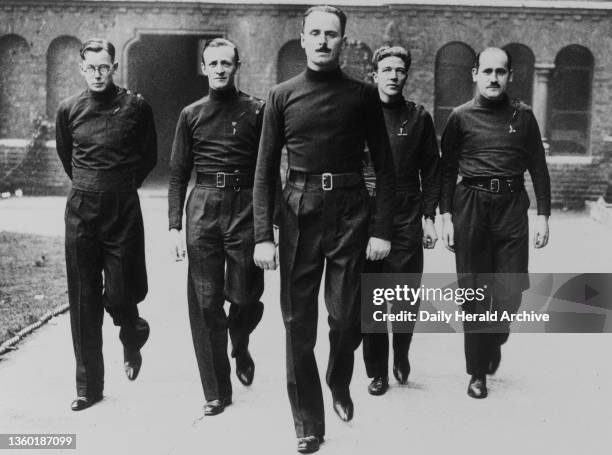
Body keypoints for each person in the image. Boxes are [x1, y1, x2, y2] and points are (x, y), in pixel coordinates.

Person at [253, 5, 395, 453]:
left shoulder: (363, 95)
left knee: (346, 316)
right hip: (299, 210)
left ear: (343, 40)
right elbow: (263, 171)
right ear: (302, 37)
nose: (322, 41)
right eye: (314, 32)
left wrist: (381, 228)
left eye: (330, 34)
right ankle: (308, 422)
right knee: (297, 323)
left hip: (351, 209)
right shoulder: (281, 95)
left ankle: (338, 377)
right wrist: (263, 233)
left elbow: (386, 169)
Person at [440, 47, 551, 399]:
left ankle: (496, 337)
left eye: (500, 72)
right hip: (470, 205)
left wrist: (544, 216)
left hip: (511, 206)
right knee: (474, 293)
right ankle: (476, 373)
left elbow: (538, 168)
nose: (493, 78)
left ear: (510, 76)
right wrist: (445, 216)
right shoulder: (459, 117)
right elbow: (445, 172)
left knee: (510, 290)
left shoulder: (524, 116)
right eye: (486, 71)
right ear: (475, 74)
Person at [55, 38, 157, 411]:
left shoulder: (135, 106)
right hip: (81, 207)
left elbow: (149, 156)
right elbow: (68, 155)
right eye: (91, 68)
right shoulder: (69, 109)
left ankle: (133, 331)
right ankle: (88, 387)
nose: (98, 74)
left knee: (119, 292)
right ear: (82, 69)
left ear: (114, 67)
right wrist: (90, 186)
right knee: (83, 300)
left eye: (104, 67)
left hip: (122, 207)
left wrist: (121, 186)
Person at [168, 38, 265, 417]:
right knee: (206, 301)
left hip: (245, 206)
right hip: (203, 206)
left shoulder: (257, 110)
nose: (220, 69)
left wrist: (266, 227)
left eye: (227, 62)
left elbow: (268, 170)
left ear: (237, 65)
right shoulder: (191, 114)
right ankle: (216, 391)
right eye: (213, 63)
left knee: (245, 297)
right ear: (204, 68)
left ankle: (239, 344)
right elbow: (177, 175)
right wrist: (175, 226)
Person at [362, 45, 440, 396]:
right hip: (367, 210)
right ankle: (377, 371)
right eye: (387, 69)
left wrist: (428, 216)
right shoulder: (358, 114)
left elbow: (432, 170)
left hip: (407, 211)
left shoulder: (418, 117)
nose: (393, 76)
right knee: (372, 296)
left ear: (406, 75)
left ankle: (401, 352)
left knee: (405, 294)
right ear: (374, 74)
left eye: (400, 70)